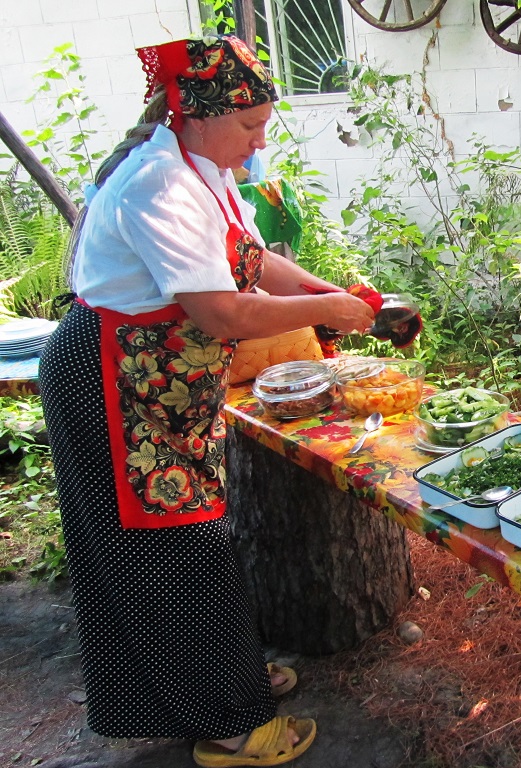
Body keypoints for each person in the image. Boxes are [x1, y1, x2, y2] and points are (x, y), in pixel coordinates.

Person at [38, 35, 376, 768]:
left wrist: (321, 291)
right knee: (174, 549)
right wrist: (331, 315)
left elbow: (253, 261)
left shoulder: (207, 167)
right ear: (193, 113)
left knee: (184, 541)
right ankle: (227, 724)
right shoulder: (158, 185)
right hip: (111, 381)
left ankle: (214, 686)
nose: (259, 142)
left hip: (159, 384)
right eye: (250, 126)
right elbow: (223, 312)